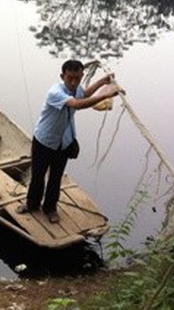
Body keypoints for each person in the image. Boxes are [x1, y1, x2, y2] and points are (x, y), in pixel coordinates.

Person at [17, 60, 119, 223]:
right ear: (62, 76)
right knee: (38, 175)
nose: (73, 82)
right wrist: (105, 94)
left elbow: (84, 95)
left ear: (81, 76)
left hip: (63, 144)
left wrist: (102, 81)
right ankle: (31, 204)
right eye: (70, 78)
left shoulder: (76, 88)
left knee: (56, 178)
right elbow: (77, 104)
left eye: (77, 78)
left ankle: (50, 209)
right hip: (44, 141)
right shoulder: (55, 92)